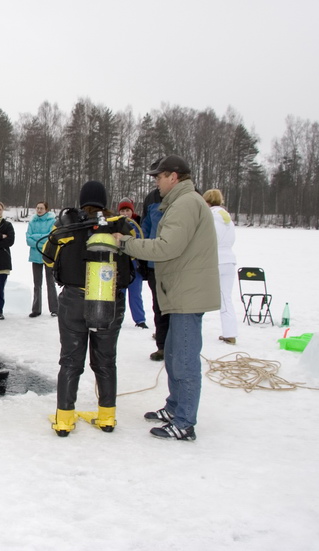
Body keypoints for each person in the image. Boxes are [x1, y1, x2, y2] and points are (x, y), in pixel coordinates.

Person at [113, 155, 220, 441]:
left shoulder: (185, 204)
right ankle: (174, 407)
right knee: (173, 355)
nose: (156, 183)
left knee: (184, 360)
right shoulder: (180, 202)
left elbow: (167, 247)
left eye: (158, 177)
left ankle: (184, 422)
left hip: (188, 294)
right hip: (180, 291)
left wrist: (127, 244)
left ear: (174, 177)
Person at [43, 181, 136, 437]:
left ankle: (64, 419)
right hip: (109, 299)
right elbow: (136, 252)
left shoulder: (67, 224)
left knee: (71, 360)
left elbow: (47, 257)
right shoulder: (121, 225)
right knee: (106, 361)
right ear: (105, 201)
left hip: (74, 299)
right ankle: (107, 416)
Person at [204, 189, 238, 345]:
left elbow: (208, 239)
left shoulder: (209, 216)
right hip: (229, 260)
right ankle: (230, 333)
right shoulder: (227, 218)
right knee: (226, 298)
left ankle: (190, 330)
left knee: (199, 296)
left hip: (214, 260)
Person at [140, 180, 169, 360]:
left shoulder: (189, 196)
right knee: (158, 306)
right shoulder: (151, 198)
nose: (157, 181)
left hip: (177, 264)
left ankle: (179, 347)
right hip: (154, 264)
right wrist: (142, 256)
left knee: (179, 310)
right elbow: (146, 227)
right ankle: (163, 346)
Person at [117, 197, 148, 329]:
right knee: (120, 293)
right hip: (121, 264)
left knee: (135, 293)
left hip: (135, 263)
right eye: (122, 210)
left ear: (132, 211)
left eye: (127, 210)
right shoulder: (116, 224)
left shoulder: (138, 224)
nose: (125, 213)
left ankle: (140, 319)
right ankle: (117, 317)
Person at [25, 201, 58, 318]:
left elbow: (50, 237)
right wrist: (40, 239)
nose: (39, 210)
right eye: (38, 208)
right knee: (37, 284)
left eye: (41, 208)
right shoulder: (32, 221)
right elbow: (28, 239)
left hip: (48, 256)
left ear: (46, 210)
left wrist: (36, 238)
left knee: (51, 283)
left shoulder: (52, 221)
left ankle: (54, 309)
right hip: (35, 256)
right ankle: (36, 309)